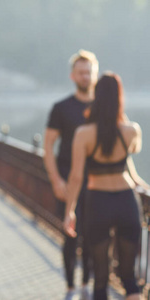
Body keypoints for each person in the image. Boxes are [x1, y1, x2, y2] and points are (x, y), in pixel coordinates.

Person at [64, 72, 148, 300]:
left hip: (98, 202)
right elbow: (127, 156)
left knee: (100, 278)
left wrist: (69, 210)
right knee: (129, 278)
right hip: (126, 201)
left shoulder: (83, 134)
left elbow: (75, 177)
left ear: (96, 97)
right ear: (120, 98)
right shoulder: (132, 130)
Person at [43, 49, 98, 299]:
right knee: (70, 236)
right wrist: (56, 180)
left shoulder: (104, 107)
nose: (85, 76)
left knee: (93, 237)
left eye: (89, 72)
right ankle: (69, 287)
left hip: (98, 182)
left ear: (94, 74)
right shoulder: (61, 108)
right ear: (72, 76)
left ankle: (87, 284)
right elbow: (47, 147)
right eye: (81, 72)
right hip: (68, 180)